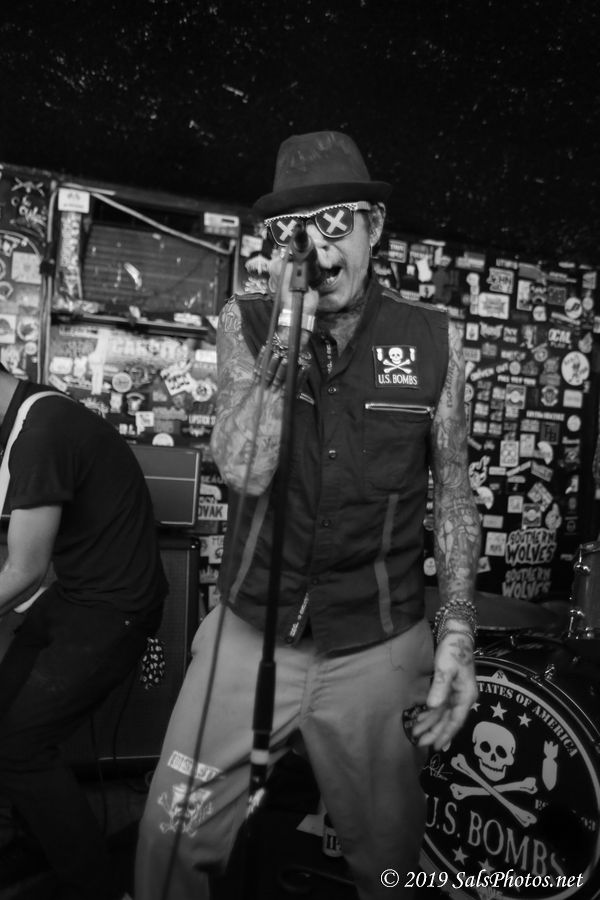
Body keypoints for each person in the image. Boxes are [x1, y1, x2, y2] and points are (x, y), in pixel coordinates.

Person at [135, 130, 481, 899]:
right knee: (169, 839)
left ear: (373, 228)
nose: (319, 251)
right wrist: (287, 333)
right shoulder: (247, 322)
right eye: (298, 232)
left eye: (335, 225)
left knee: (388, 862)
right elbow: (246, 466)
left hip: (378, 639)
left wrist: (458, 626)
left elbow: (454, 492)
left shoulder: (435, 340)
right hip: (252, 628)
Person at [0, 364, 168, 900]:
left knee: (19, 747)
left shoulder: (41, 429)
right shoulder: (32, 414)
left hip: (115, 609)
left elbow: (24, 569)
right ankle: (39, 842)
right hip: (78, 594)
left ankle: (98, 886)